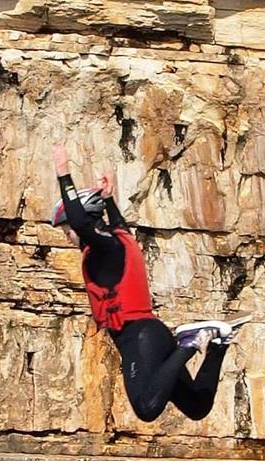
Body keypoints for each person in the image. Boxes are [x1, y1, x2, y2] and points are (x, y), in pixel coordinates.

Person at [49, 143, 248, 424]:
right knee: (196, 406)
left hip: (139, 337)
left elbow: (82, 223)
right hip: (155, 334)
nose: (68, 237)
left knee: (146, 408)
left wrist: (63, 173)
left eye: (67, 231)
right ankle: (217, 344)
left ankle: (191, 342)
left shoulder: (105, 249)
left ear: (87, 223)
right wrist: (109, 200)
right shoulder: (119, 240)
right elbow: (116, 223)